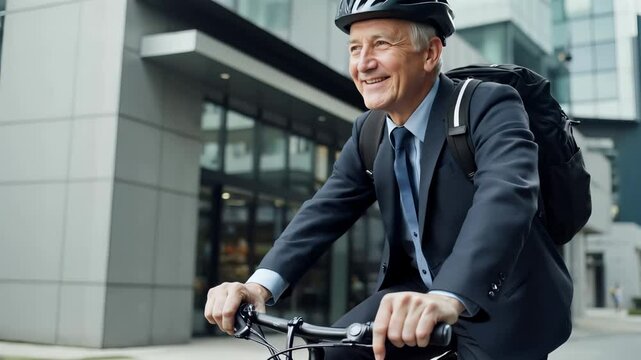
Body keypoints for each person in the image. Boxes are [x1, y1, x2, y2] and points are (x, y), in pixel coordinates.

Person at [204, 1, 573, 359]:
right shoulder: (370, 130)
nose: (363, 63)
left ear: (430, 53)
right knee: (334, 353)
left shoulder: (487, 105)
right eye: (354, 48)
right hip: (412, 300)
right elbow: (323, 210)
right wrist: (258, 285)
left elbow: (506, 196)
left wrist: (449, 295)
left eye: (381, 44)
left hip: (501, 304)